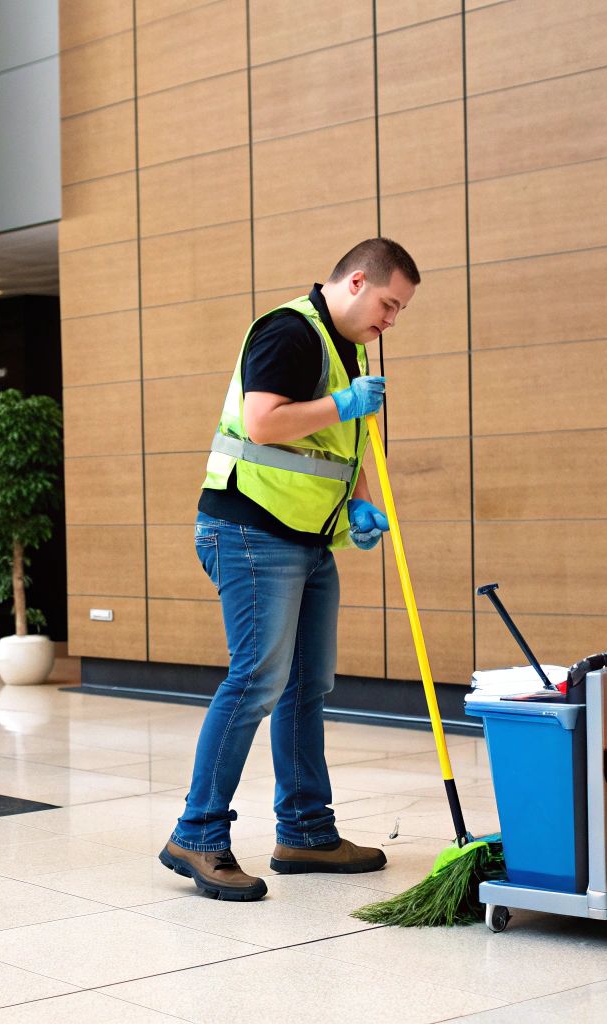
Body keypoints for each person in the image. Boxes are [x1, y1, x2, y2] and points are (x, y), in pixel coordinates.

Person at [159, 238, 420, 901]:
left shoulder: (346, 347)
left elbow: (341, 442)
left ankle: (305, 830)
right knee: (258, 679)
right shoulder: (288, 332)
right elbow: (264, 421)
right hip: (248, 529)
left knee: (307, 683)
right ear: (356, 281)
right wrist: (345, 405)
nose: (391, 320)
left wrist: (361, 503)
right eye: (389, 304)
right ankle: (198, 832)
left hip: (308, 538)